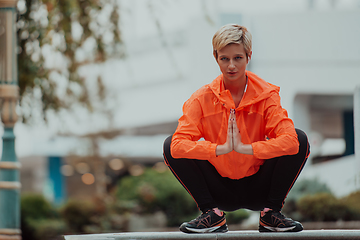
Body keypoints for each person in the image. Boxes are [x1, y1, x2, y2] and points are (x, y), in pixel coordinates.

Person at [163, 24, 310, 234]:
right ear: (216, 57)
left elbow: (291, 142)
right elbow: (177, 147)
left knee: (300, 138)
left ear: (248, 56)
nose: (231, 66)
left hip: (259, 184)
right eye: (224, 59)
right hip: (219, 187)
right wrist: (219, 149)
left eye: (238, 58)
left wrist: (246, 148)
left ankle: (270, 214)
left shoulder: (266, 96)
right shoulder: (201, 99)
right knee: (170, 144)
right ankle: (211, 215)